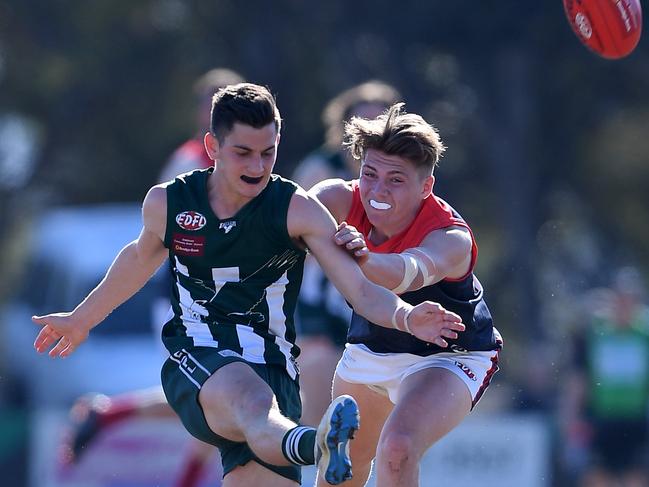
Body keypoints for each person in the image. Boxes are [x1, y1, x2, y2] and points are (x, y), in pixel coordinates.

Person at [32, 83, 465, 486]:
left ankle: (304, 441)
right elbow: (138, 259)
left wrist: (407, 317)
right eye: (243, 152)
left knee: (262, 411)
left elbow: (361, 290)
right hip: (200, 353)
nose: (257, 167)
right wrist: (81, 318)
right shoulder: (171, 202)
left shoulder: (298, 209)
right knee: (251, 402)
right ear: (212, 147)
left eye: (268, 153)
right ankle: (314, 444)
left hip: (276, 367)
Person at [61, 67, 247, 487]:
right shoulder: (189, 161)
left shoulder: (244, 163)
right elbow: (167, 235)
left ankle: (109, 414)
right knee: (211, 393)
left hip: (226, 297)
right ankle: (111, 416)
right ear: (203, 111)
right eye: (214, 102)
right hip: (187, 296)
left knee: (219, 398)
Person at [308, 103, 502, 486]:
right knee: (342, 466)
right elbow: (286, 217)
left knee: (397, 448)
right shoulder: (336, 199)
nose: (378, 191)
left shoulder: (451, 238)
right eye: (370, 174)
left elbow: (402, 275)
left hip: (447, 355)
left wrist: (360, 254)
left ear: (425, 187)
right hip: (372, 347)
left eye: (396, 180)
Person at [293, 80, 402, 426]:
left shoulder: (407, 178)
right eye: (364, 124)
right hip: (322, 304)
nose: (372, 134)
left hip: (374, 303)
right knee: (319, 394)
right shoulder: (322, 172)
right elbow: (298, 237)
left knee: (372, 415)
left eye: (380, 123)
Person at [560, 267, 649, 487]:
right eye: (620, 301)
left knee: (635, 477)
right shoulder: (596, 334)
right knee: (596, 476)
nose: (624, 307)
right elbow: (580, 379)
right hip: (601, 419)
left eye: (629, 301)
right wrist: (570, 416)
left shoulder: (644, 334)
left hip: (636, 419)